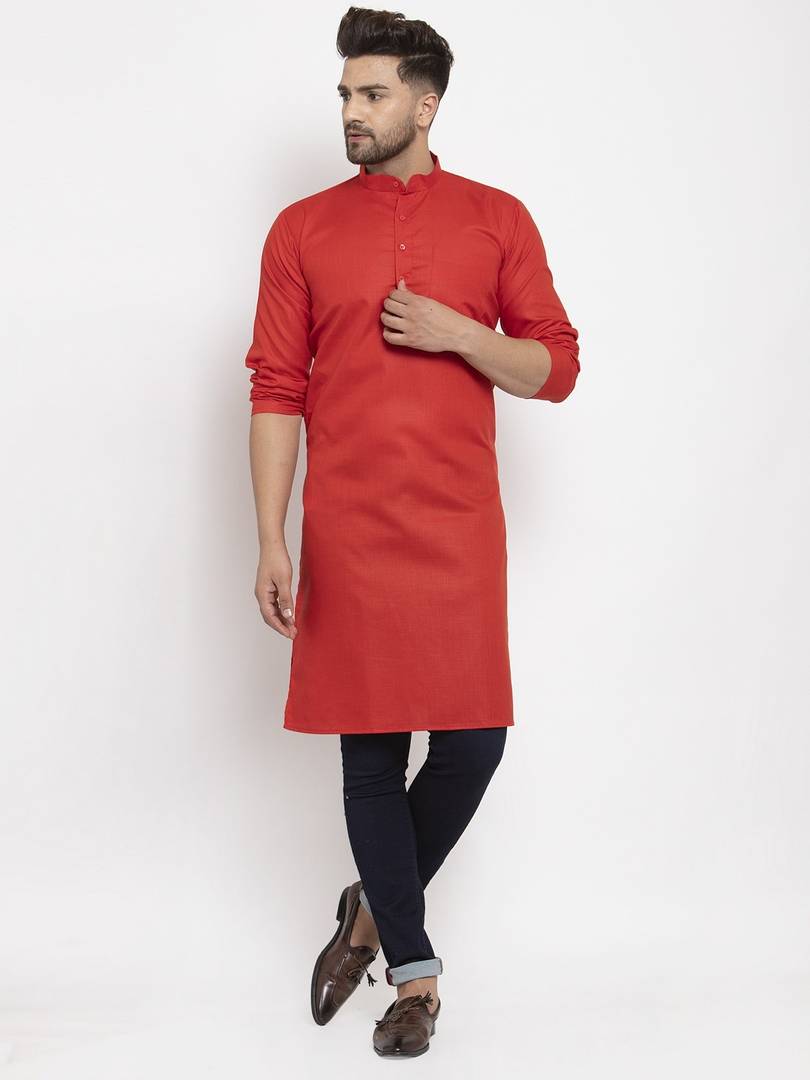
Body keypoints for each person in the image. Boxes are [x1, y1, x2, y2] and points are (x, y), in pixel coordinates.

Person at [244, 5, 580, 1058]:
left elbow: (555, 368)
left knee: (474, 746)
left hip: (459, 529)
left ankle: (368, 912)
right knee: (371, 758)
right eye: (346, 92)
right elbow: (275, 387)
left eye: (373, 93)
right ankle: (415, 977)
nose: (352, 110)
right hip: (347, 530)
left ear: (425, 105)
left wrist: (458, 332)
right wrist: (272, 537)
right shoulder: (302, 229)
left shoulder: (496, 219)